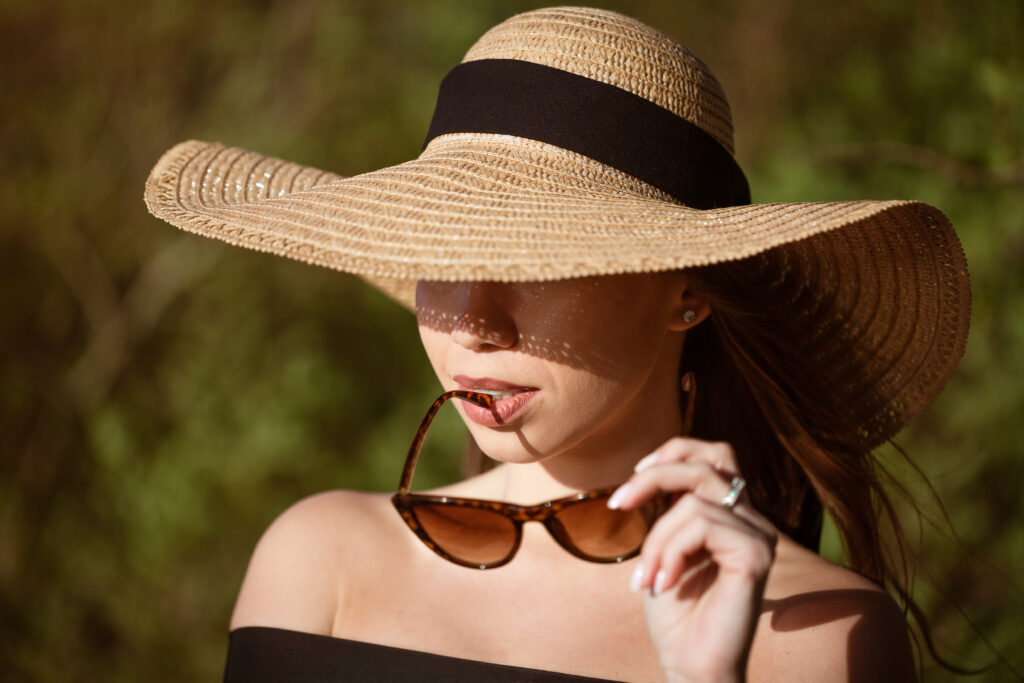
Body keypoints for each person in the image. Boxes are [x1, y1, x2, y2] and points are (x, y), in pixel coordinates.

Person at [144, 6, 970, 682]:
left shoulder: (821, 636)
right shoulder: (321, 560)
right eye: (442, 255)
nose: (474, 322)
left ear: (686, 289)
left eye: (536, 262)